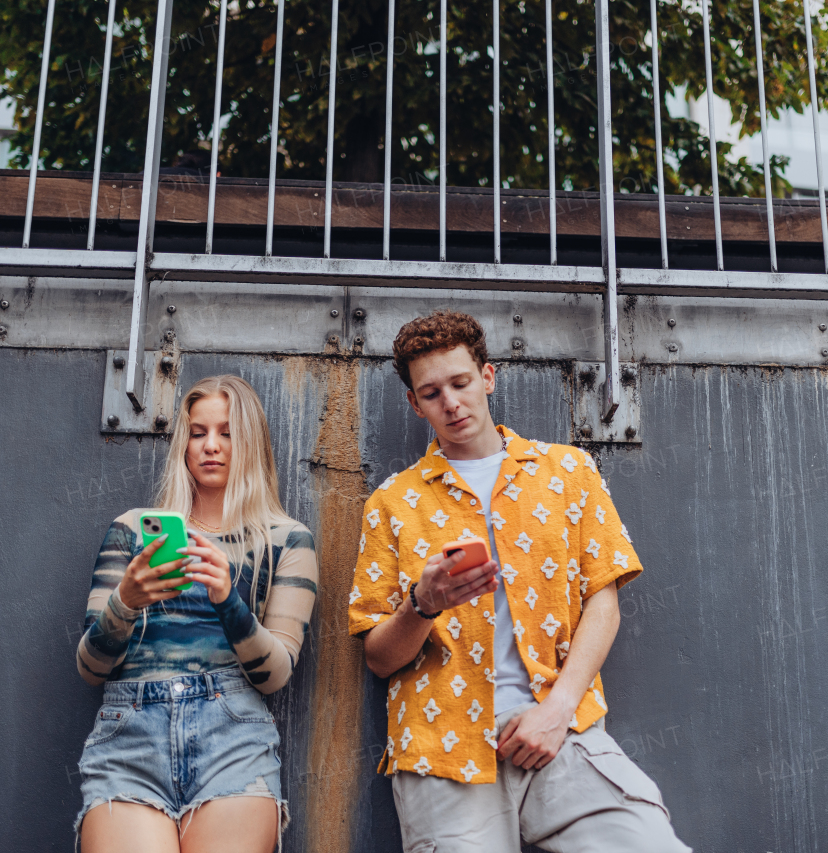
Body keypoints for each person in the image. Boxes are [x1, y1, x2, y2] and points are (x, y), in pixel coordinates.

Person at [348, 312, 690, 853]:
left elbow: (604, 603)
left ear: (488, 376)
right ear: (416, 404)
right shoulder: (392, 502)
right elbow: (379, 658)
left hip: (560, 724)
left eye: (461, 383)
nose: (452, 403)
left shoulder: (568, 471)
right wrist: (423, 603)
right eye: (432, 393)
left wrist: (556, 713)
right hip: (443, 747)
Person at [74, 375, 319, 853]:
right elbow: (89, 667)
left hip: (232, 735)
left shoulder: (286, 540)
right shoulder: (131, 531)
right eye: (198, 432)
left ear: (250, 443)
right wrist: (127, 600)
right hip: (130, 735)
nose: (211, 446)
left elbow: (275, 673)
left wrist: (227, 599)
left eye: (227, 433)